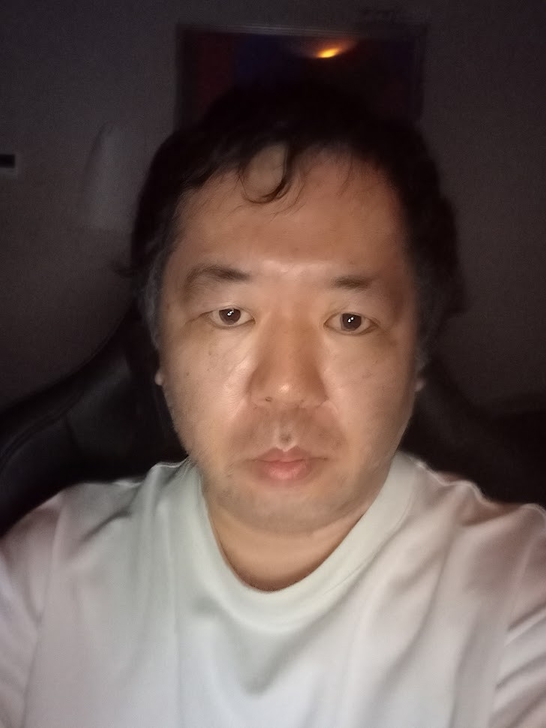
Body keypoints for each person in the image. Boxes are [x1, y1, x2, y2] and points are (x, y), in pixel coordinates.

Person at [1, 80, 545, 728]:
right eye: (230, 314)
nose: (286, 386)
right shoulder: (46, 572)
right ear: (159, 348)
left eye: (349, 320)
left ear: (417, 358)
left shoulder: (519, 594)